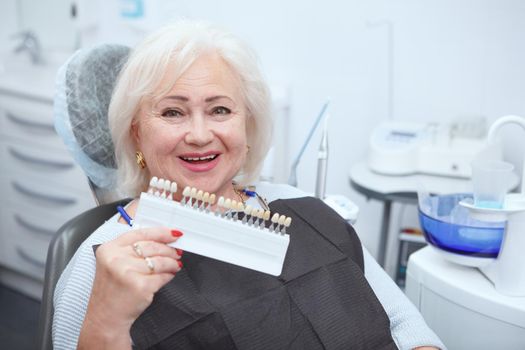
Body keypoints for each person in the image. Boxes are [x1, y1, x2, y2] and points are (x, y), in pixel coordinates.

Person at [52, 20, 445, 350]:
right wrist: (104, 324)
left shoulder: (307, 211)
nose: (200, 134)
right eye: (173, 112)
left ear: (248, 124)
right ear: (137, 133)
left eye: (220, 109)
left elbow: (403, 324)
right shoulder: (99, 264)